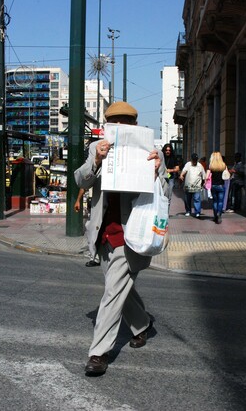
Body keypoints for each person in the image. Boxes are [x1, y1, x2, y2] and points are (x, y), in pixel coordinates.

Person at [75, 101, 165, 376]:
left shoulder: (153, 151)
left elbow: (165, 192)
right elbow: (80, 180)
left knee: (114, 291)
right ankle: (142, 325)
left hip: (131, 233)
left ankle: (98, 353)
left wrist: (158, 172)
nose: (121, 127)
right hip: (104, 231)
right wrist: (97, 160)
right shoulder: (96, 148)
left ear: (135, 125)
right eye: (115, 123)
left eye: (126, 121)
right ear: (107, 126)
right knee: (121, 288)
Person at [75, 187, 100, 267]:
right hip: (96, 203)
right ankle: (95, 257)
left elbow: (84, 185)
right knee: (91, 228)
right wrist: (78, 200)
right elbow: (84, 185)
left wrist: (78, 200)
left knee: (92, 228)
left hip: (99, 203)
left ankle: (95, 257)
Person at [179, 153, 205, 218]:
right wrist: (181, 175)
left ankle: (197, 212)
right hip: (188, 185)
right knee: (187, 199)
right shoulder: (188, 164)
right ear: (191, 159)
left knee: (197, 199)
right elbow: (184, 171)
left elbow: (203, 175)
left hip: (197, 186)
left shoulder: (200, 165)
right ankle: (188, 211)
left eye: (195, 160)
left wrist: (204, 182)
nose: (194, 161)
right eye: (193, 160)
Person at [206, 151, 227, 224]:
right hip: (221, 185)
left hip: (213, 186)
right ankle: (219, 213)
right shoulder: (223, 165)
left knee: (215, 201)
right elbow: (226, 174)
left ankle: (215, 216)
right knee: (220, 201)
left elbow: (207, 176)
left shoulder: (211, 166)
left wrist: (205, 182)